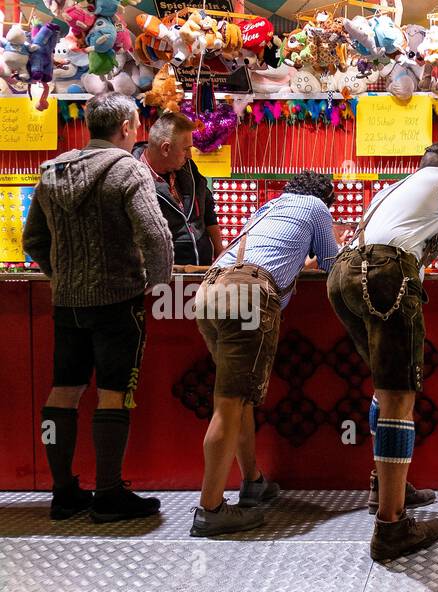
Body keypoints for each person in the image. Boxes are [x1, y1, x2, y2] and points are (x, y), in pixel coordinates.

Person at [328, 140, 438, 561]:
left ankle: (384, 488)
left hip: (343, 274)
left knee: (384, 390)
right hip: (385, 272)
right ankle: (391, 528)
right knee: (400, 397)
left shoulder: (392, 190)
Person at [23, 92, 174, 523]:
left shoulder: (52, 171)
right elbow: (156, 237)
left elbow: (33, 241)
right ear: (126, 128)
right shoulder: (128, 170)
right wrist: (156, 284)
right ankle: (108, 493)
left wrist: (65, 275)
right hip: (117, 302)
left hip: (67, 302)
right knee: (113, 394)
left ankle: (64, 493)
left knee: (63, 391)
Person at [190, 171, 341, 537]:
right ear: (327, 196)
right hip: (248, 296)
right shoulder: (317, 207)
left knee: (238, 400)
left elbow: (268, 254)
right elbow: (333, 263)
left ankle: (253, 480)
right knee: (229, 405)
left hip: (210, 291)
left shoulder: (268, 208)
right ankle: (210, 509)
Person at [133, 111, 224, 267]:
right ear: (166, 148)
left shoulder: (188, 167)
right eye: (186, 149)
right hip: (165, 281)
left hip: (201, 272)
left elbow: (207, 205)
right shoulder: (133, 179)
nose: (190, 155)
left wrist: (219, 250)